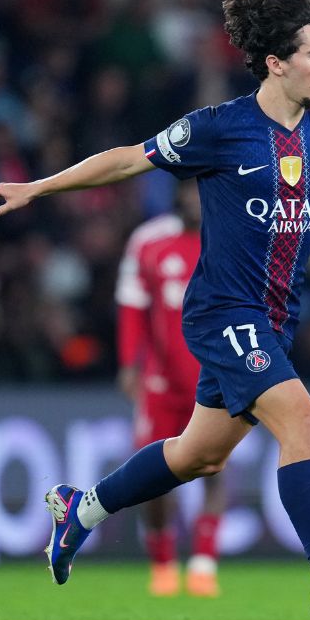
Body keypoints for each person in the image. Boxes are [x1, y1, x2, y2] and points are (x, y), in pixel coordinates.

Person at [0, 0, 310, 620]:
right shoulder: (221, 128)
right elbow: (126, 161)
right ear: (276, 63)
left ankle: (78, 509)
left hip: (276, 322)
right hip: (223, 313)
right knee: (302, 424)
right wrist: (37, 186)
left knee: (199, 455)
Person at [115, 181, 226, 598]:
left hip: (214, 376)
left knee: (215, 466)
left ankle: (203, 562)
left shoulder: (226, 232)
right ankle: (162, 563)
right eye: (190, 192)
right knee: (154, 479)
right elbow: (131, 306)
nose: (197, 200)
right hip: (161, 383)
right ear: (178, 194)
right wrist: (129, 363)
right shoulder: (147, 241)